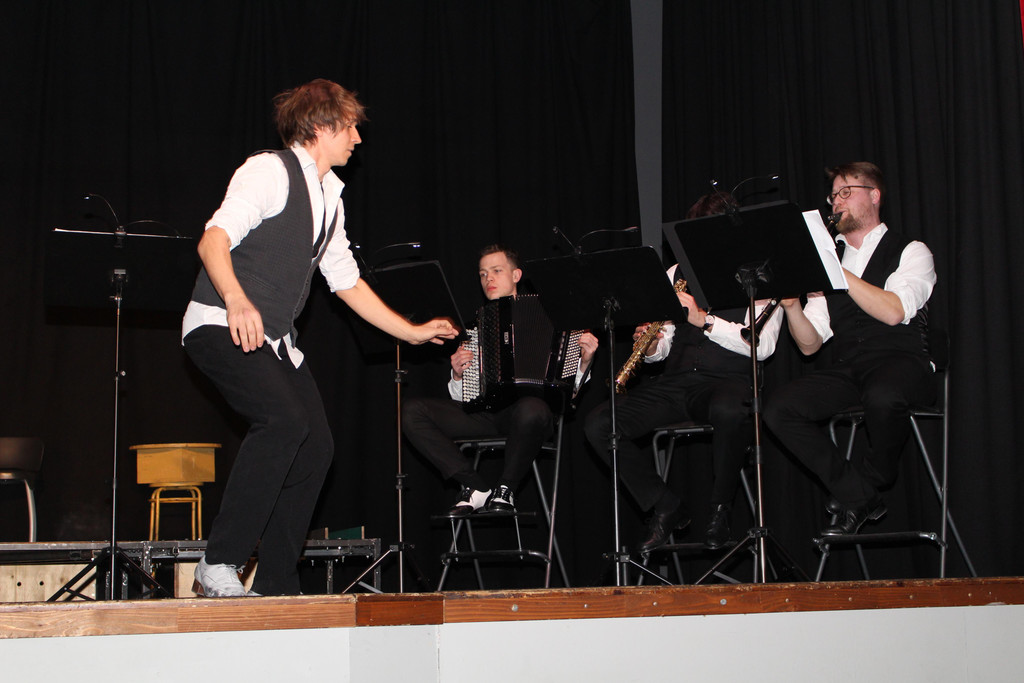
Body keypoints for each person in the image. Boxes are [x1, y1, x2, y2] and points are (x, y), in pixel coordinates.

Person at [182, 78, 457, 597]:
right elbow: (213, 239)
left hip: (274, 339)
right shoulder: (269, 170)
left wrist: (412, 332)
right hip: (219, 321)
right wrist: (237, 299)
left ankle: (276, 582)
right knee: (283, 421)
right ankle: (218, 562)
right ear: (321, 126)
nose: (357, 138)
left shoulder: (331, 195)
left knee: (315, 448)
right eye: (350, 127)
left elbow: (346, 281)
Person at [583, 193, 783, 552]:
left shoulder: (760, 274)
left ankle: (720, 509)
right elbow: (663, 349)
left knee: (729, 409)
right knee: (599, 423)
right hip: (676, 383)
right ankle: (665, 504)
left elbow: (763, 346)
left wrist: (705, 321)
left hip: (728, 381)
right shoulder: (675, 274)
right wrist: (651, 345)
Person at [763, 161, 936, 536]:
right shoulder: (833, 261)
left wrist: (835, 270)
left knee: (883, 395)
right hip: (850, 368)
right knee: (778, 408)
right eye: (833, 196)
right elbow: (810, 345)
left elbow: (894, 312)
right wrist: (792, 308)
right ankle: (857, 492)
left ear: (874, 196)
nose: (836, 202)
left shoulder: (911, 251)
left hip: (902, 362)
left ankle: (869, 482)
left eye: (845, 193)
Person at [402, 245, 598, 516]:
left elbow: (570, 393)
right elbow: (463, 400)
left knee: (532, 407)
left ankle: (506, 490)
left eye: (496, 271)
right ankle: (475, 486)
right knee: (412, 412)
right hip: (486, 414)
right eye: (483, 274)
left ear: (516, 275)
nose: (488, 279)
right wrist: (458, 374)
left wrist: (585, 361)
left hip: (531, 416)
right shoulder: (477, 324)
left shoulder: (553, 315)